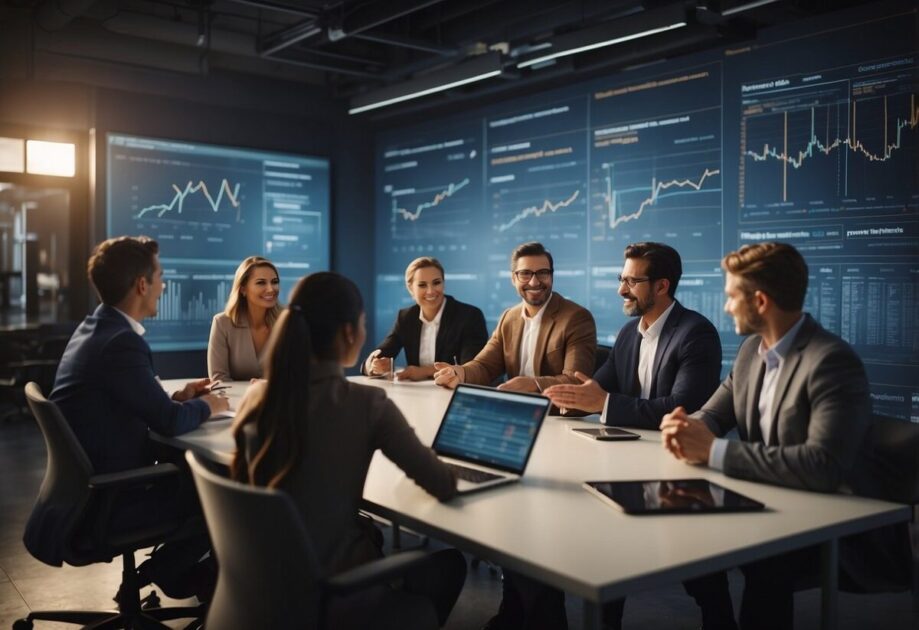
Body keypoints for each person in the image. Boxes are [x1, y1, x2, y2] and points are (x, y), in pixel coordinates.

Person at [660, 242, 912, 630]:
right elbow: (713, 413)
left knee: (763, 561)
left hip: (832, 516)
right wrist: (687, 426)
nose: (726, 308)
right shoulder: (750, 352)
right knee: (685, 526)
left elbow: (822, 466)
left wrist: (714, 451)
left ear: (760, 302)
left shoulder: (830, 361)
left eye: (730, 297)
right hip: (771, 496)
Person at [230, 272, 466, 629]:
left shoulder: (256, 397)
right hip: (326, 600)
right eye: (362, 323)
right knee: (449, 566)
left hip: (254, 593)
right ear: (348, 333)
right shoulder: (366, 403)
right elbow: (443, 484)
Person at [542, 242, 734, 630]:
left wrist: (605, 403)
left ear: (662, 286)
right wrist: (565, 400)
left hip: (676, 466)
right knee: (605, 549)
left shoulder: (696, 333)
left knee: (699, 570)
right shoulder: (630, 333)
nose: (621, 289)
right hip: (627, 461)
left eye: (632, 281)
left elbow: (683, 408)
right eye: (621, 279)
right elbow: (596, 391)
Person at [45, 235, 228, 599]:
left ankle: (172, 575)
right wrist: (212, 405)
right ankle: (178, 578)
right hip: (110, 499)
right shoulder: (121, 342)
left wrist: (181, 396)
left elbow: (132, 402)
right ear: (142, 284)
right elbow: (171, 423)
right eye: (160, 276)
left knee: (197, 476)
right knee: (222, 495)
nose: (163, 285)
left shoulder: (96, 328)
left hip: (83, 492)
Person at [433, 242, 596, 396]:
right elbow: (485, 366)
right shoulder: (509, 317)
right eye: (525, 274)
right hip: (516, 411)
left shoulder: (576, 318)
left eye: (543, 273)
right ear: (513, 279)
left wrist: (534, 384)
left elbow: (576, 381)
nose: (534, 281)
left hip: (556, 415)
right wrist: (459, 373)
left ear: (551, 276)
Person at [363, 256, 488, 381]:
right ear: (411, 289)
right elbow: (381, 353)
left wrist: (423, 371)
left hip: (453, 392)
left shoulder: (469, 316)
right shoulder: (406, 317)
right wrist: (373, 366)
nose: (430, 291)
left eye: (436, 283)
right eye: (422, 285)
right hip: (419, 395)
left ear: (443, 283)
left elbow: (472, 368)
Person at [208, 256, 281, 382]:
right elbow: (219, 379)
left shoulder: (288, 321)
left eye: (274, 282)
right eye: (261, 282)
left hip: (281, 400)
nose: (271, 289)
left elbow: (298, 374)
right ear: (243, 289)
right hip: (237, 400)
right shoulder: (222, 323)